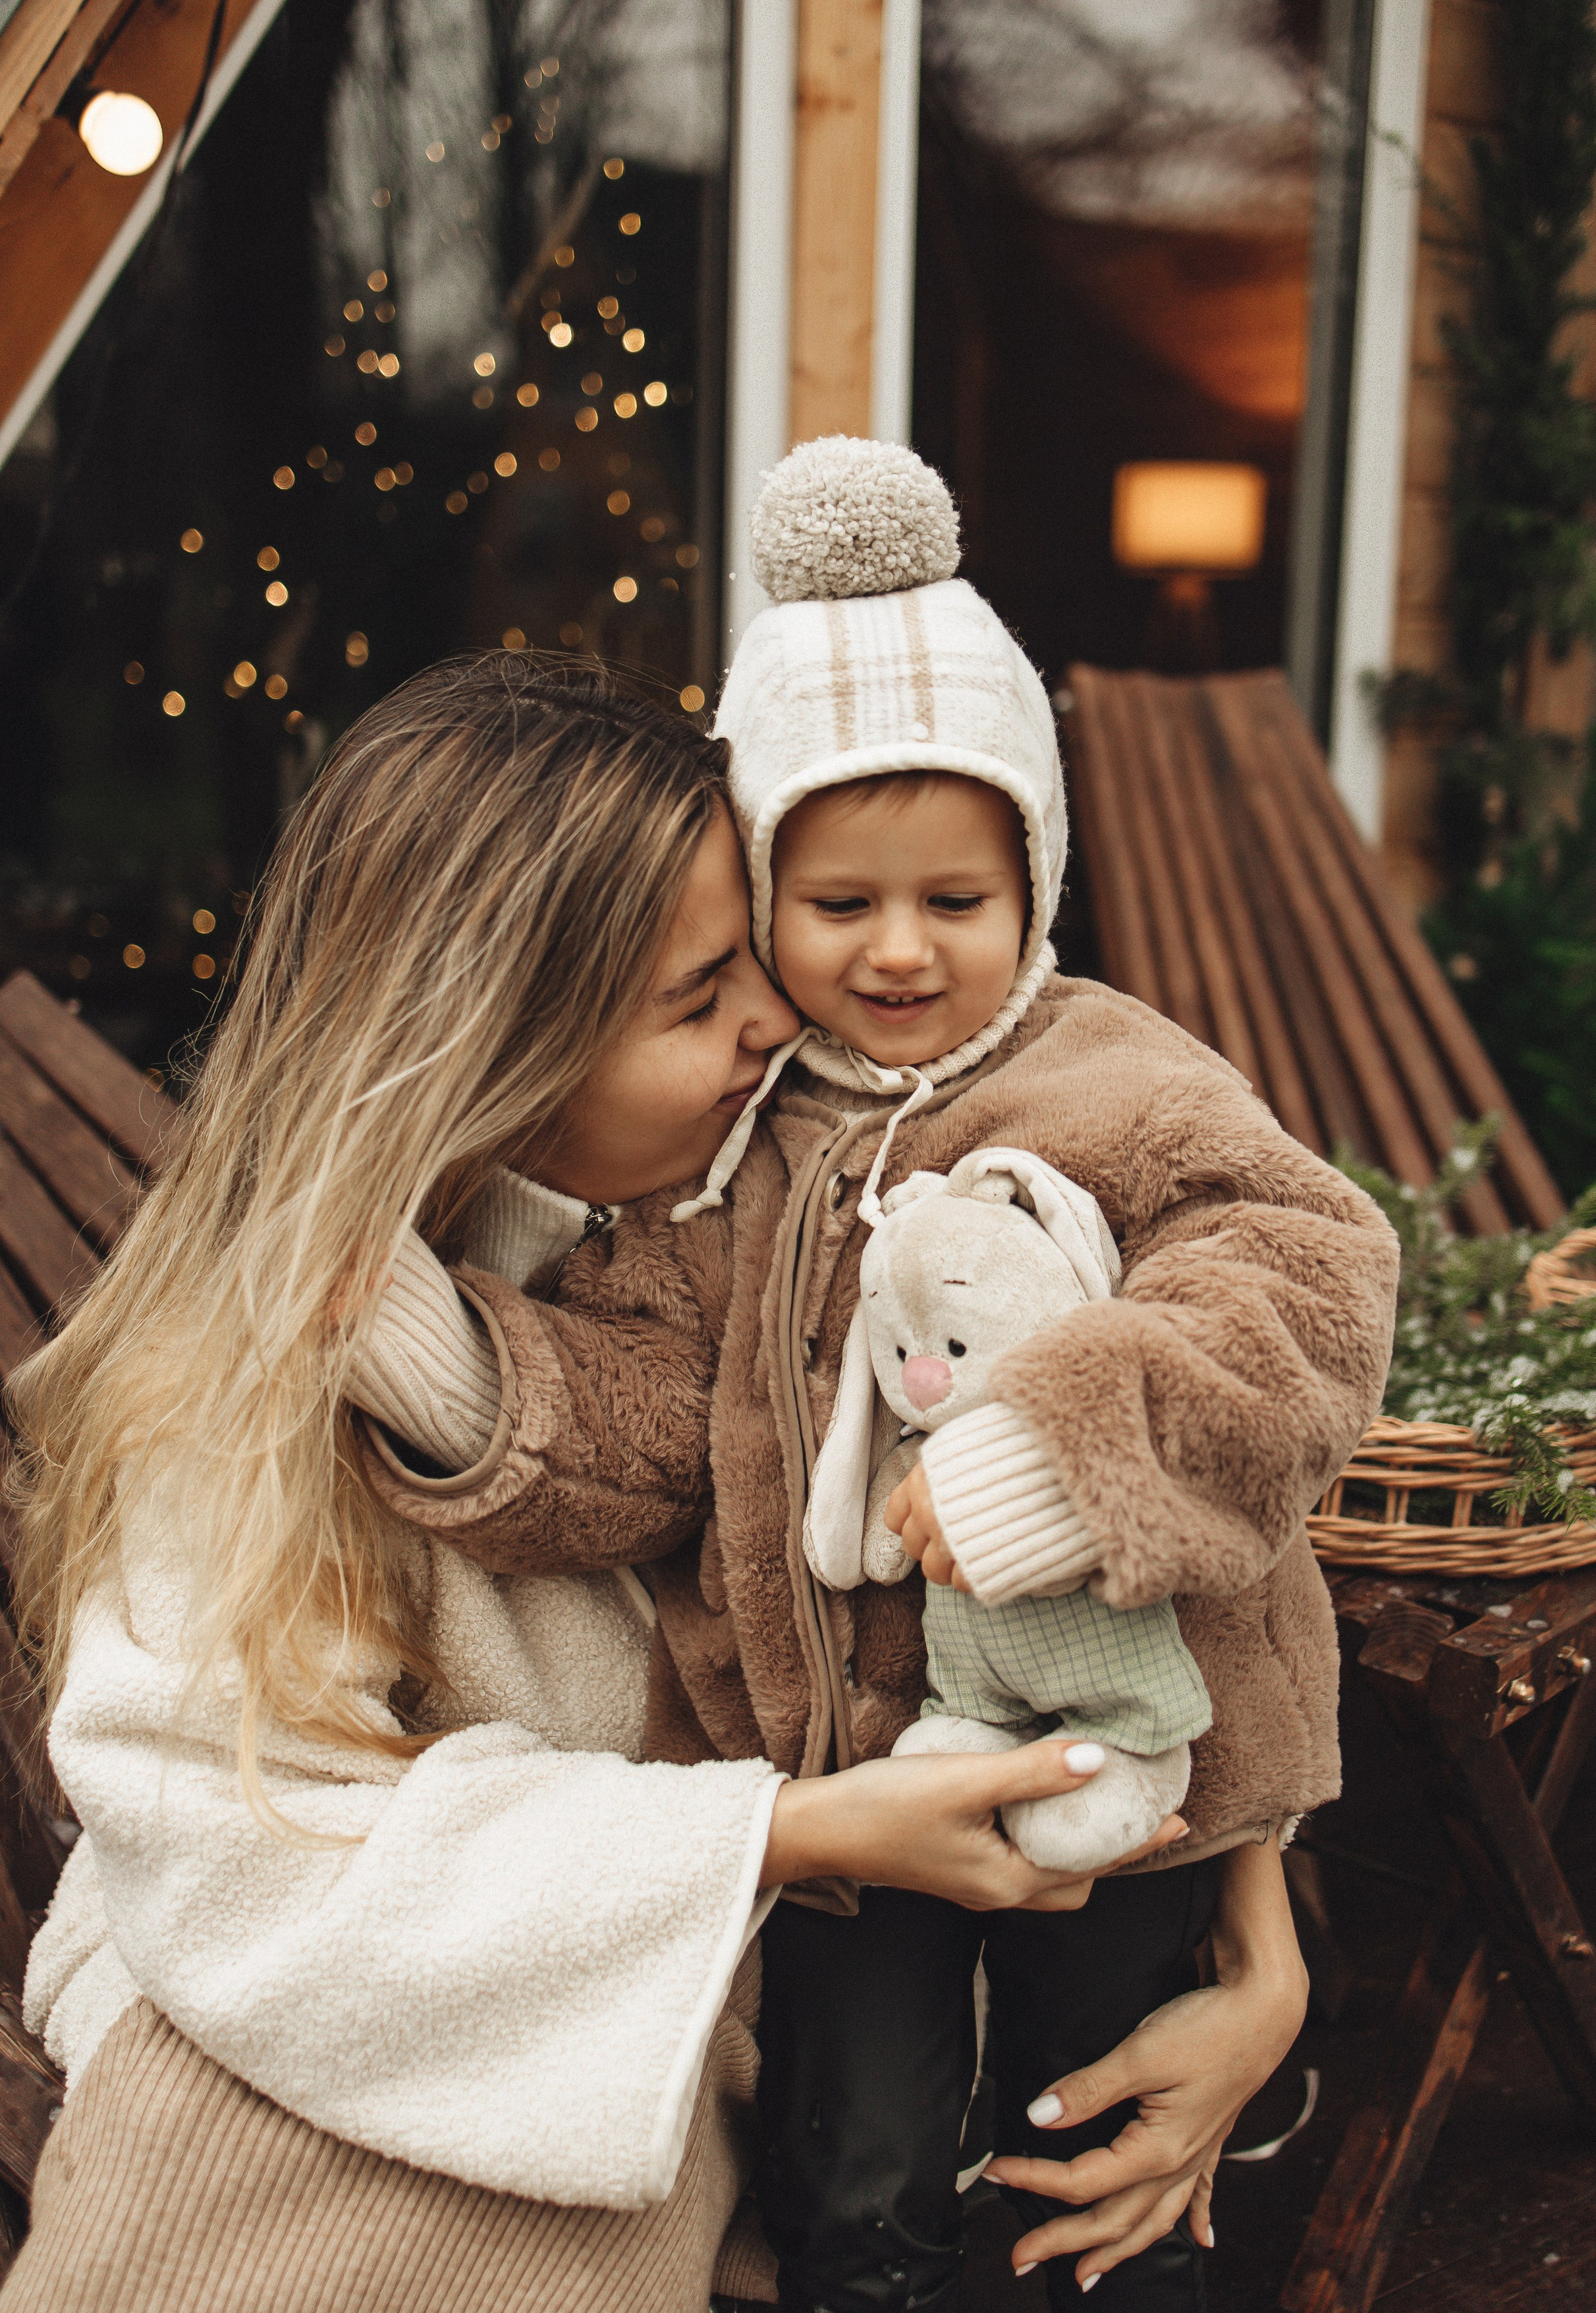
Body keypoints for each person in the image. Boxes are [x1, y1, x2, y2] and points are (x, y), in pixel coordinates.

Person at [349, 443, 1400, 2312]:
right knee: (858, 2176)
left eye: (956, 897)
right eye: (837, 905)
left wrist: (1060, 1460)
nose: (900, 951)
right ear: (762, 898)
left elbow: (1300, 1282)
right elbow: (656, 1421)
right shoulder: (734, 1153)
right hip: (849, 1791)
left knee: (1096, 2122)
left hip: (1125, 1748)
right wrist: (459, 1378)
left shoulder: (1119, 1082)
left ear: (1038, 879)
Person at [0, 655, 1137, 2313]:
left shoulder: (828, 1238)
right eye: (696, 1000)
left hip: (704, 2062)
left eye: (755, 955)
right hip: (288, 2119)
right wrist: (786, 1835)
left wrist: (1254, 1940)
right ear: (495, 1051)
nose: (771, 1019)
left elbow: (1129, 1560)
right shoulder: (275, 1379)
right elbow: (231, 1847)